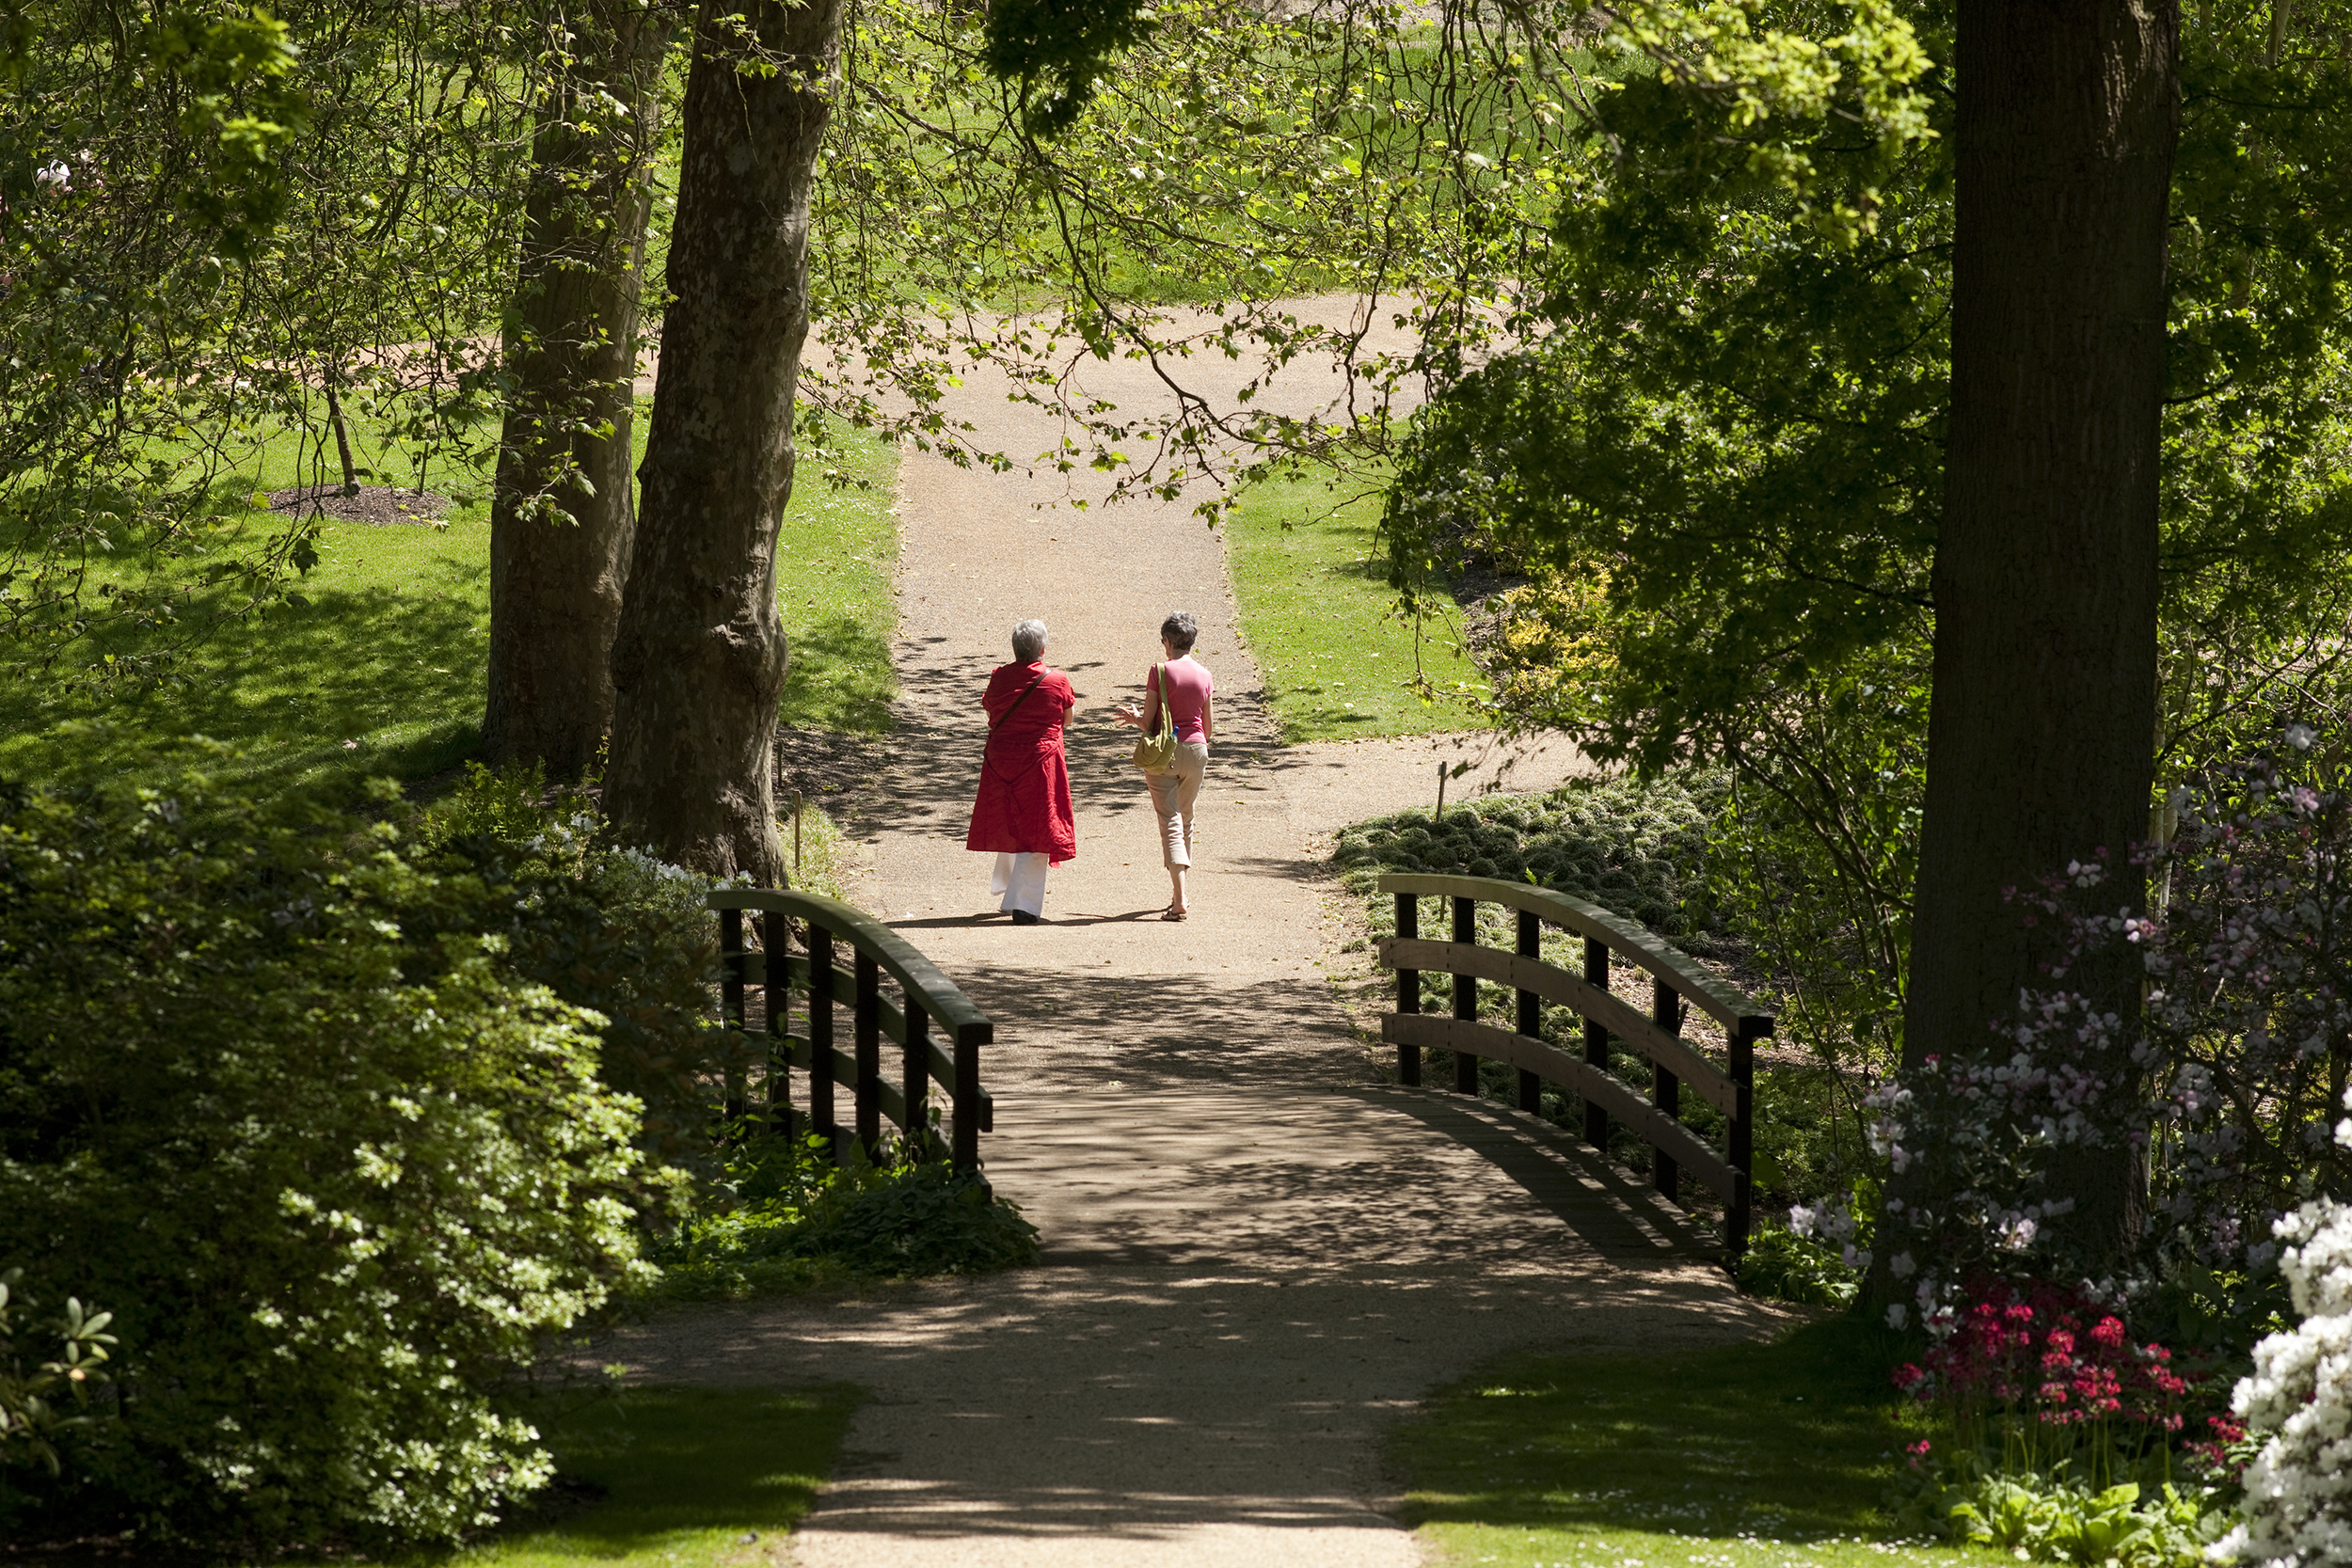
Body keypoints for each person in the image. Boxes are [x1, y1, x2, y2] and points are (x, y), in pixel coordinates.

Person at [965, 618, 1076, 924]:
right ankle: (1024, 905)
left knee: (1011, 820)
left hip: (1001, 761)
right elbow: (1067, 719)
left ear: (1015, 648)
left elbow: (990, 707)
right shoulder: (1057, 681)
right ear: (1043, 649)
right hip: (1039, 762)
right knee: (1040, 829)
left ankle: (1009, 890)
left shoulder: (999, 676)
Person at [1114, 610, 1213, 920]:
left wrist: (1134, 719)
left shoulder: (1159, 671)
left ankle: (1179, 899)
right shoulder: (1205, 675)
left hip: (1165, 755)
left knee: (1169, 820)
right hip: (1197, 751)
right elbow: (1208, 728)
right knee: (1186, 819)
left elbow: (1149, 722)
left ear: (1168, 641)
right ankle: (1178, 893)